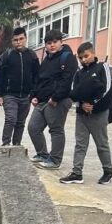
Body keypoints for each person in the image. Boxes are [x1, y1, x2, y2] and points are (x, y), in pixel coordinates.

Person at [60, 41, 112, 186]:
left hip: (99, 113)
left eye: (86, 56)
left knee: (101, 144)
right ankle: (77, 173)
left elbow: (107, 89)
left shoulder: (103, 67)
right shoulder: (79, 73)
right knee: (80, 144)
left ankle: (108, 172)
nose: (83, 60)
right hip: (82, 114)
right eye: (80, 58)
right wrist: (81, 105)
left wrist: (94, 104)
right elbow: (73, 91)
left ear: (93, 53)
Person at [27, 29, 78, 170]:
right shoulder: (47, 59)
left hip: (57, 101)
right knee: (33, 127)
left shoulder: (67, 58)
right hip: (42, 101)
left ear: (61, 42)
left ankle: (55, 160)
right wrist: (34, 96)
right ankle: (42, 154)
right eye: (49, 43)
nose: (52, 45)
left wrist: (56, 97)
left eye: (55, 42)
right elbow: (40, 80)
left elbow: (67, 80)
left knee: (55, 130)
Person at [0, 26, 40, 146]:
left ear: (25, 38)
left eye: (21, 39)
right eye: (15, 40)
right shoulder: (6, 56)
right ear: (12, 41)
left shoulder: (32, 56)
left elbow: (37, 76)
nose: (18, 42)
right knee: (11, 119)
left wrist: (34, 93)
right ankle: (5, 144)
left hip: (26, 96)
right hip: (9, 95)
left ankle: (16, 145)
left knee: (20, 122)